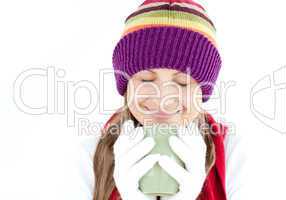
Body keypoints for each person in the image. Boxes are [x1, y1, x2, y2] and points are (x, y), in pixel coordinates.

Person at [79, 0, 247, 200]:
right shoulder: (89, 155)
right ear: (127, 86)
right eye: (146, 79)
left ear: (202, 91)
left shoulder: (233, 153)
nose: (164, 98)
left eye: (183, 83)